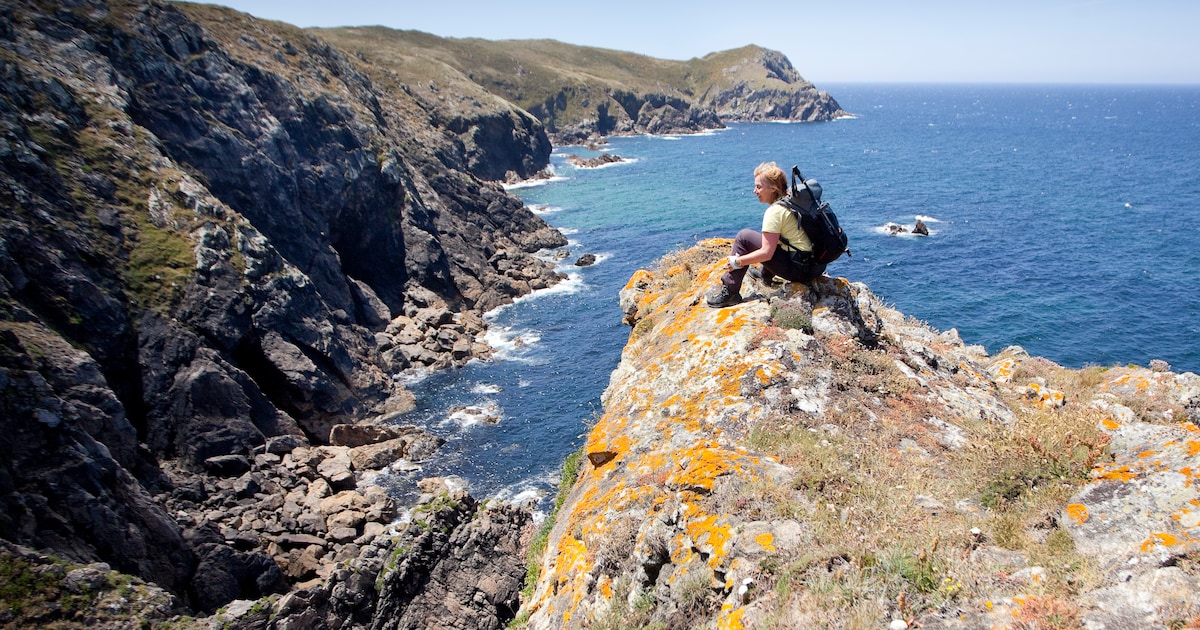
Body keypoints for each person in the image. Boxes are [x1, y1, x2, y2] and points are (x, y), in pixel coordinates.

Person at [705, 161, 826, 308]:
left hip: (800, 271)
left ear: (773, 188)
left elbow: (767, 253)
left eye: (758, 187)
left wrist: (737, 262)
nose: (754, 191)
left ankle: (731, 291)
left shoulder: (774, 212)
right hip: (816, 267)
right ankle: (765, 275)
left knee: (744, 237)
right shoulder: (793, 201)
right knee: (777, 239)